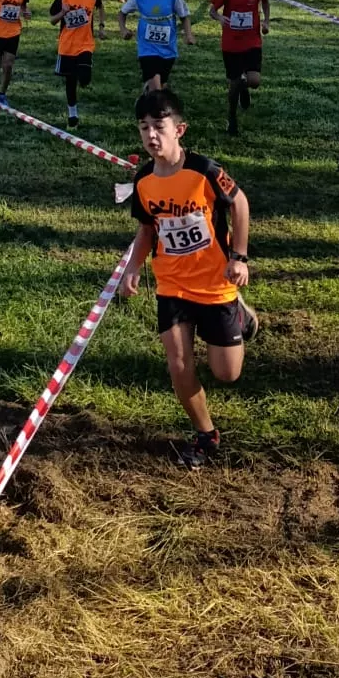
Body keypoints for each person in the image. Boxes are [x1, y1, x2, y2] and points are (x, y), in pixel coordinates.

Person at [120, 88, 258, 467]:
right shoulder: (144, 180)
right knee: (179, 363)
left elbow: (240, 204)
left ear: (179, 130)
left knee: (226, 373)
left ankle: (240, 314)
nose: (150, 136)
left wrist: (239, 257)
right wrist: (133, 267)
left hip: (215, 283)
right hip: (172, 285)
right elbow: (147, 229)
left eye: (158, 127)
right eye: (143, 127)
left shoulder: (205, 172)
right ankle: (205, 433)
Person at [209, 0, 271, 137]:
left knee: (254, 81)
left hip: (252, 40)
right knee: (234, 82)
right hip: (231, 43)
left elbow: (265, 3)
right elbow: (212, 10)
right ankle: (232, 117)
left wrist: (266, 22)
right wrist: (219, 18)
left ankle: (245, 89)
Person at [119, 0, 194, 93]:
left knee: (162, 85)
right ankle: (151, 107)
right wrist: (123, 30)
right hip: (146, 48)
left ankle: (147, 96)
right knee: (156, 86)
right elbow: (122, 13)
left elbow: (184, 16)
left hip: (168, 49)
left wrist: (188, 35)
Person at [49, 0, 105, 124]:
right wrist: (62, 13)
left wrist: (101, 26)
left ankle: (84, 77)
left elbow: (101, 8)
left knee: (85, 77)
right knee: (71, 80)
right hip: (67, 45)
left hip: (86, 43)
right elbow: (52, 20)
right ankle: (72, 113)